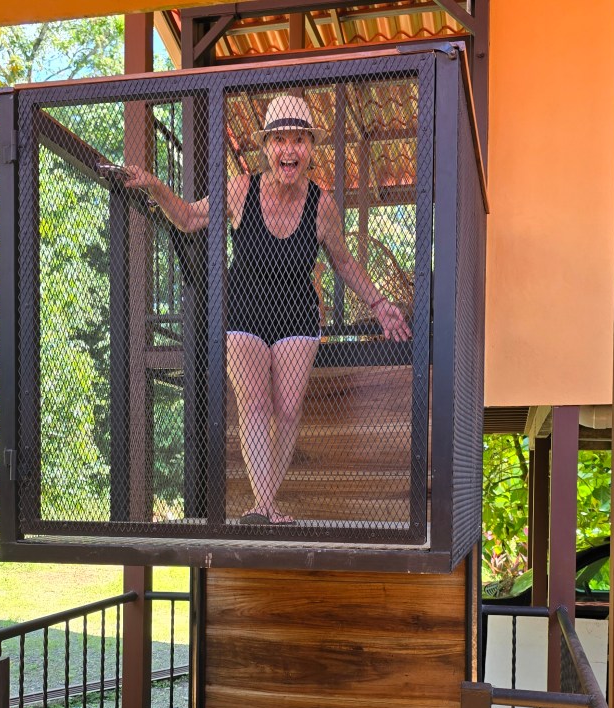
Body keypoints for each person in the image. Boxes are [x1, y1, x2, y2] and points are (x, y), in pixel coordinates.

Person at [122, 94, 411, 525]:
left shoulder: (322, 205)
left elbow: (343, 261)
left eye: (298, 140)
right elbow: (187, 218)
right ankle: (265, 507)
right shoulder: (241, 189)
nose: (288, 149)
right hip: (245, 312)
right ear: (265, 147)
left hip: (296, 314)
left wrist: (380, 304)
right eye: (279, 140)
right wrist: (155, 186)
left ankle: (265, 504)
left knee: (288, 408)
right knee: (255, 404)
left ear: (310, 149)